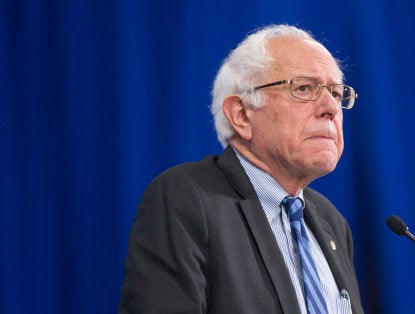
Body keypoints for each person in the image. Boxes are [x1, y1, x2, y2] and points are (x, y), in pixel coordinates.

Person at [119, 24, 363, 313]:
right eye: (303, 88)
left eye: (336, 93)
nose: (331, 108)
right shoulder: (186, 199)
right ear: (241, 114)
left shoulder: (331, 222)